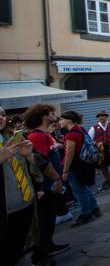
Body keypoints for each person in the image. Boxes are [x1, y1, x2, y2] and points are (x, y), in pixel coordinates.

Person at [23, 104, 71, 265]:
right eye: (51, 113)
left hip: (52, 185)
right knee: (44, 220)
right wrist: (53, 181)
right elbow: (39, 163)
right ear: (43, 116)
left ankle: (49, 246)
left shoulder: (46, 135)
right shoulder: (37, 136)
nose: (55, 115)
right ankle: (41, 254)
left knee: (50, 218)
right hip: (47, 186)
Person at [1, 106, 40, 266]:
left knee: (22, 253)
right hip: (7, 213)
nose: (1, 117)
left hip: (26, 204)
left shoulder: (9, 139)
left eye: (2, 114)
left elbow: (34, 173)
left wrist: (29, 156)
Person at [58, 111, 100, 228]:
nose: (59, 121)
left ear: (69, 120)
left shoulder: (70, 134)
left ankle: (86, 212)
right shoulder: (80, 129)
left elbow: (69, 153)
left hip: (75, 166)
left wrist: (65, 171)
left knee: (78, 191)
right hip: (83, 164)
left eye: (61, 119)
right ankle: (94, 208)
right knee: (83, 188)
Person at [88, 110, 110, 189]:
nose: (101, 117)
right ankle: (108, 181)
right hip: (101, 150)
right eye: (99, 116)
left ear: (106, 116)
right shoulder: (94, 128)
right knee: (103, 166)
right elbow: (89, 140)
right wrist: (96, 144)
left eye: (103, 116)